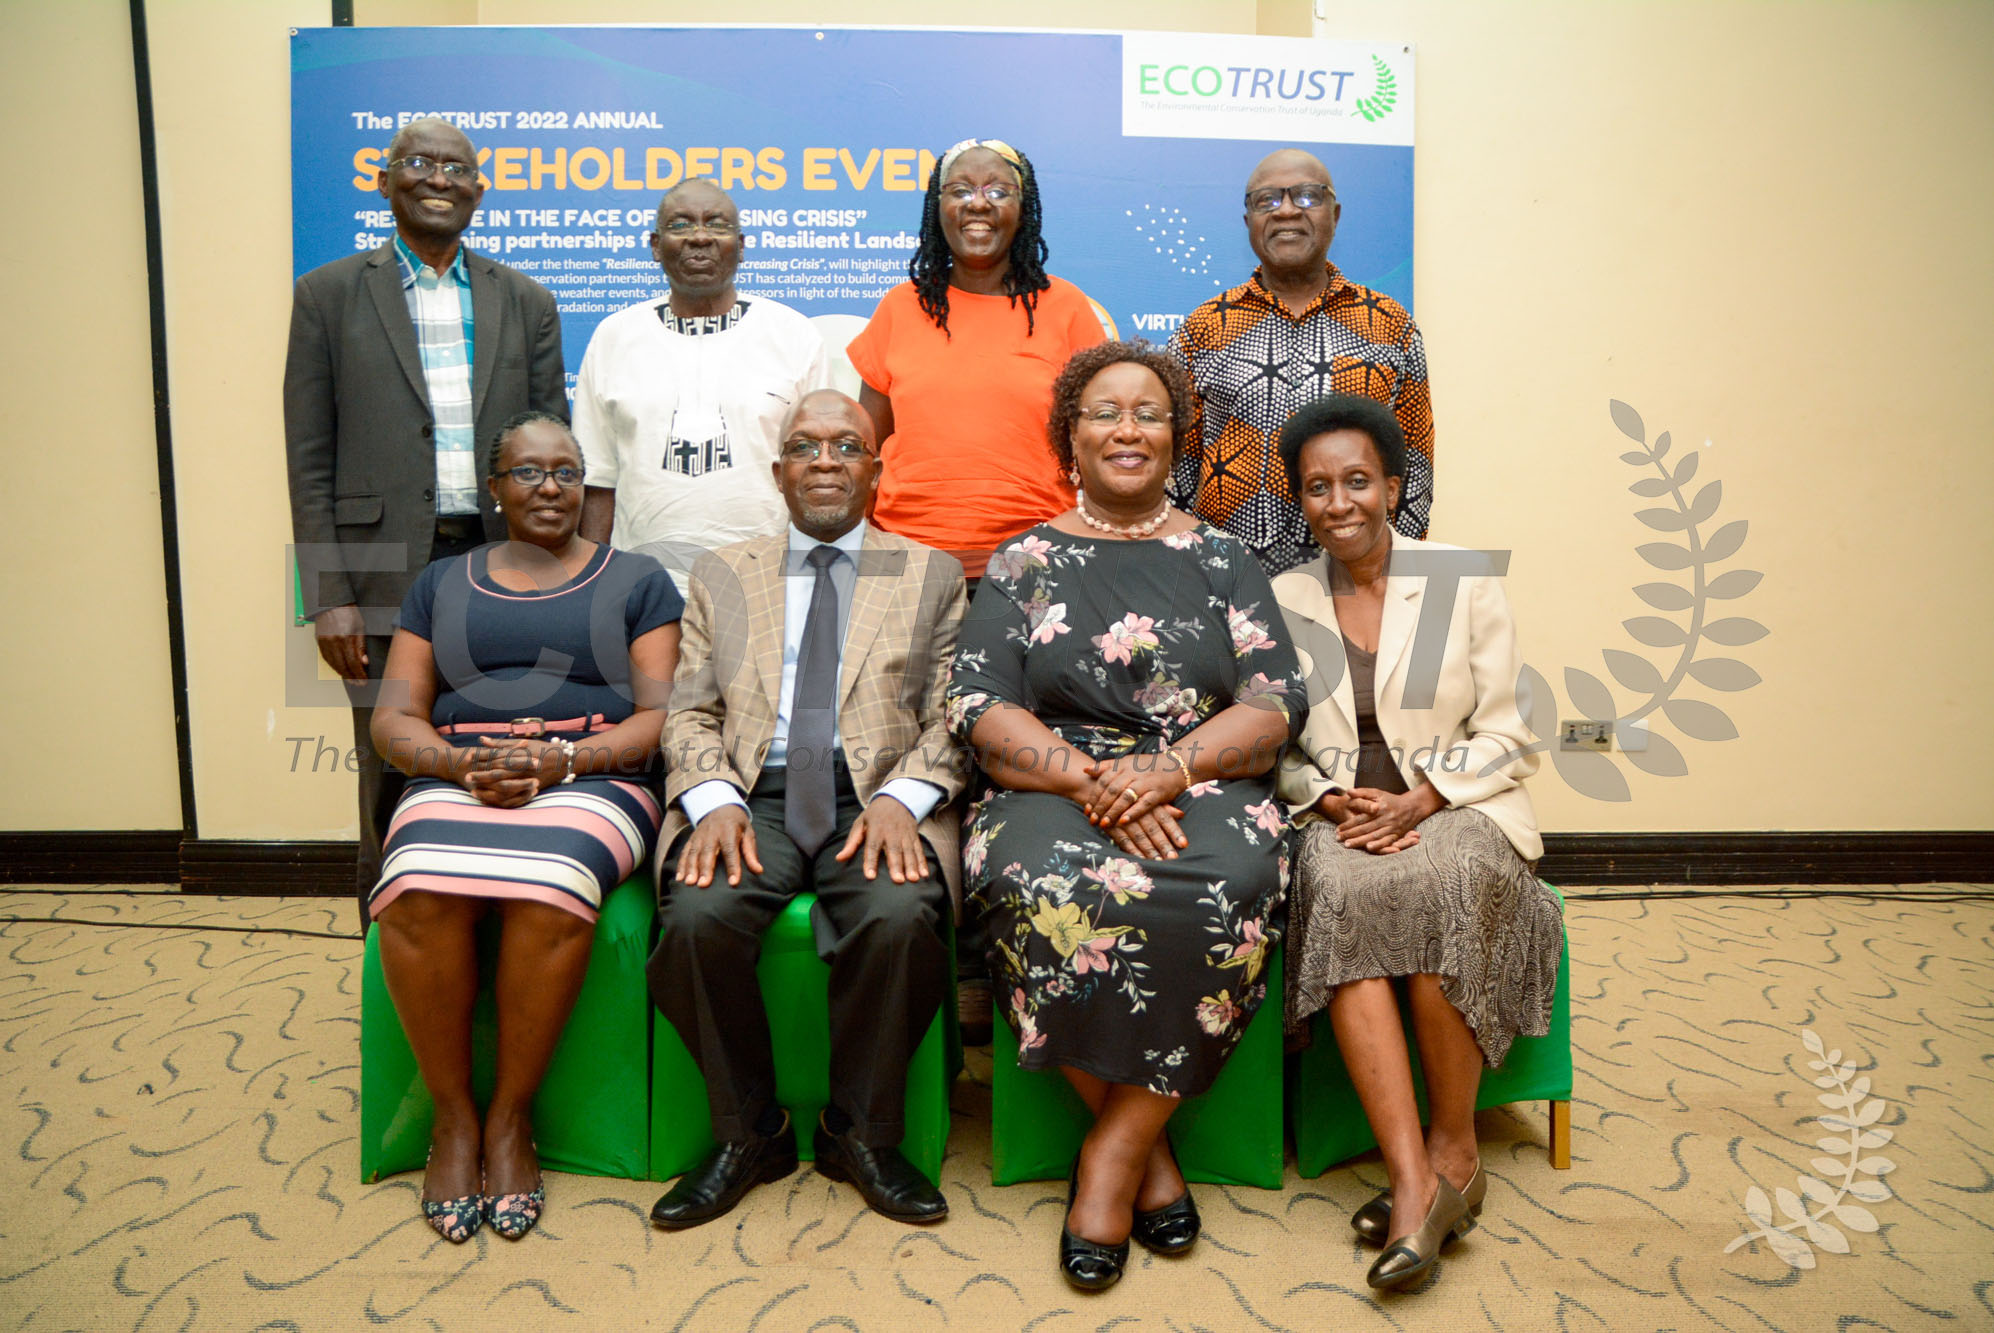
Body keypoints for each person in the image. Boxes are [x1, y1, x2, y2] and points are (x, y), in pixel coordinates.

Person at [947, 341, 1305, 1291]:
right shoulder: (1024, 559)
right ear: (1070, 434)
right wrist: (1093, 784)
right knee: (1031, 880)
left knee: (1230, 879)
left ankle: (1113, 1152)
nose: (1127, 429)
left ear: (1177, 436)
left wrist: (1167, 769)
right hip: (1054, 783)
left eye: (1149, 412)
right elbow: (978, 703)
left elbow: (1275, 702)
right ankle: (1148, 1160)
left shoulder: (1224, 558)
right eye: (1104, 412)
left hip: (1201, 778)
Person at [646, 390, 966, 1230]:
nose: (826, 460)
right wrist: (713, 800)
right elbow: (689, 711)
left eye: (847, 445)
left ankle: (859, 1133)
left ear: (876, 469)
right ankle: (749, 1130)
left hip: (876, 794)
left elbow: (956, 714)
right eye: (806, 446)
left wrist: (902, 797)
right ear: (779, 469)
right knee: (697, 917)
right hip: (754, 792)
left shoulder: (931, 572)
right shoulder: (722, 573)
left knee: (899, 915)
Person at [1268, 394, 1561, 1291]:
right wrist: (1328, 798)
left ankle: (1455, 1150)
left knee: (1444, 883)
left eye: (1357, 480)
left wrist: (1423, 798)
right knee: (1344, 891)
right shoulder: (1282, 597)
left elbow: (1511, 730)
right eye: (1317, 487)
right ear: (1300, 500)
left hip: (1459, 806)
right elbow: (1273, 746)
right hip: (1343, 816)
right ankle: (1414, 1182)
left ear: (1393, 487)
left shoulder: (1460, 578)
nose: (1339, 502)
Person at [367, 411, 682, 1244]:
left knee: (551, 883)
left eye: (567, 472)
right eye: (530, 472)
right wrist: (456, 766)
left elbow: (662, 718)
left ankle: (510, 1118)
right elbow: (393, 719)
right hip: (459, 772)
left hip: (598, 775)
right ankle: (453, 1119)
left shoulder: (638, 579)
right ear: (495, 488)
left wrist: (564, 761)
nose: (551, 487)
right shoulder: (441, 582)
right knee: (416, 887)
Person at [286, 116, 567, 924]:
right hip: (377, 569)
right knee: (388, 762)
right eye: (419, 162)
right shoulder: (328, 294)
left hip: (501, 561)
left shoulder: (526, 300)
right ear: (384, 181)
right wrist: (328, 595)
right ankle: (388, 947)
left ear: (479, 190)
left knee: (507, 736)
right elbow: (308, 455)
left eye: (457, 168)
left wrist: (554, 574)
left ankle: (494, 933)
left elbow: (551, 446)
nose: (439, 178)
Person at [846, 137, 1106, 577]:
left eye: (999, 191)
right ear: (938, 206)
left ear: (1023, 209)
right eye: (961, 190)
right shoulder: (899, 307)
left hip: (1036, 561)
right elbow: (865, 449)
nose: (979, 204)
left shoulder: (1066, 308)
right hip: (906, 558)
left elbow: (1099, 442)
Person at [1169, 148, 1435, 576]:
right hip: (1227, 579)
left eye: (1308, 196)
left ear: (1336, 214)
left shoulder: (1390, 325)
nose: (1287, 211)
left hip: (1353, 577)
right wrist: (1185, 572)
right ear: (1248, 222)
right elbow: (1175, 469)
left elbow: (1414, 465)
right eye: (1267, 200)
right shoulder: (1203, 328)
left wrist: (1395, 577)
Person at [574, 179, 832, 577]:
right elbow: (597, 480)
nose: (699, 237)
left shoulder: (793, 336)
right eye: (680, 224)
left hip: (765, 580)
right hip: (644, 583)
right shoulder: (614, 337)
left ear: (741, 247)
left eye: (717, 224)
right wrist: (593, 585)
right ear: (655, 246)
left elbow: (819, 474)